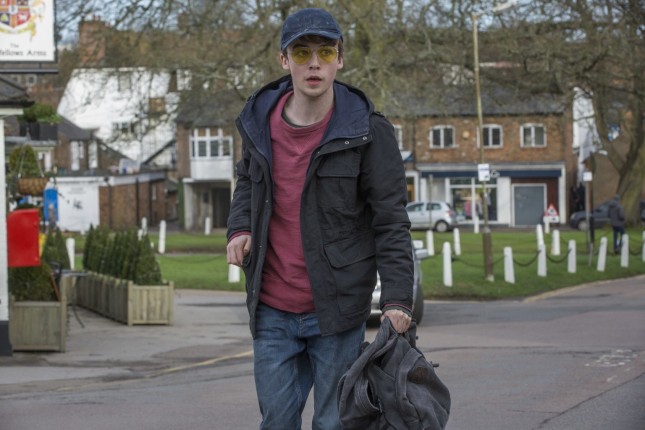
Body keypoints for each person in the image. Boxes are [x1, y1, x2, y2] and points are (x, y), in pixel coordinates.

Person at [226, 8, 414, 430]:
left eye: (325, 52)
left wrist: (397, 300)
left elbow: (390, 221)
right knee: (276, 422)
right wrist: (239, 228)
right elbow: (248, 181)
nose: (314, 63)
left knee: (333, 423)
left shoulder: (368, 130)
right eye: (302, 52)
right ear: (284, 60)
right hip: (271, 307)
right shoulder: (257, 123)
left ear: (340, 60)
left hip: (337, 309)